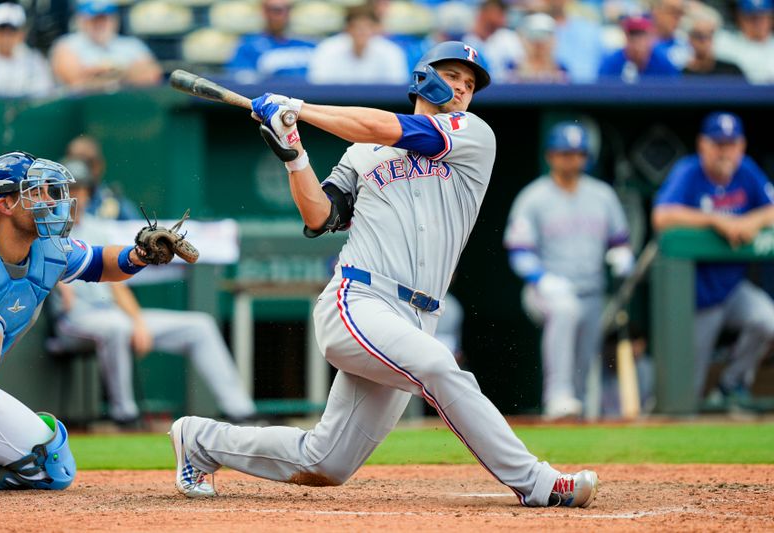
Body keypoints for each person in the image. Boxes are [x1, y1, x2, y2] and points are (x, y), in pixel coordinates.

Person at [169, 41, 599, 508]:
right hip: (359, 301)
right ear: (424, 75)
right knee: (439, 367)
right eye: (453, 75)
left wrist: (298, 108)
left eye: (470, 84)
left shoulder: (473, 134)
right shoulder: (361, 154)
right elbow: (320, 216)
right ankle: (535, 482)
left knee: (327, 461)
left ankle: (200, 441)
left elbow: (385, 126)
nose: (461, 89)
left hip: (418, 316)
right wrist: (295, 156)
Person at [0, 151, 190, 496]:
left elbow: (100, 263)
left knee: (50, 467)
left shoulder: (49, 250)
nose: (49, 199)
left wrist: (139, 255)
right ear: (5, 204)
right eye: (36, 191)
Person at [48, 160, 258, 426]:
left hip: (111, 315)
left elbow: (116, 285)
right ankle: (125, 414)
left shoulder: (97, 228)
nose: (78, 196)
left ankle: (240, 410)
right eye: (70, 191)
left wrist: (137, 322)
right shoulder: (47, 232)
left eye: (82, 190)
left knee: (199, 325)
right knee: (116, 327)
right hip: (73, 322)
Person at [504, 122, 634, 419]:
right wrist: (542, 278)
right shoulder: (533, 197)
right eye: (564, 153)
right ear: (551, 156)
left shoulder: (602, 195)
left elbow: (620, 240)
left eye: (577, 154)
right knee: (565, 310)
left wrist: (622, 255)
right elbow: (519, 252)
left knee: (585, 359)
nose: (571, 160)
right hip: (547, 290)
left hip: (592, 290)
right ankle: (557, 396)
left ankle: (576, 412)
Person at [652, 112, 774, 409]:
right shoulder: (689, 171)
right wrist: (716, 220)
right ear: (703, 145)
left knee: (767, 321)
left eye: (731, 143)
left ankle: (731, 383)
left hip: (732, 289)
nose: (724, 150)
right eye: (717, 143)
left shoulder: (746, 171)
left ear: (741, 146)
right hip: (695, 298)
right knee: (685, 393)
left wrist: (751, 221)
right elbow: (662, 216)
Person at [49, 0, 162, 90]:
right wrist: (125, 72)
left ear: (114, 20)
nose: (99, 24)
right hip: (84, 111)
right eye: (94, 19)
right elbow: (75, 81)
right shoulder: (67, 44)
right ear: (81, 20)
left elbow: (152, 76)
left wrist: (97, 73)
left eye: (104, 18)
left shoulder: (131, 44)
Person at [307, 5, 407, 85]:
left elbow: (396, 87)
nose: (362, 32)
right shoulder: (327, 49)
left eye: (367, 27)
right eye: (357, 27)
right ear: (347, 29)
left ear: (375, 28)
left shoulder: (390, 51)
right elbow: (318, 86)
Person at [0, 3, 55, 97]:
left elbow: (43, 97)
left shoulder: (34, 62)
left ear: (22, 33)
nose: (6, 37)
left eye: (12, 31)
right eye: (1, 31)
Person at [226, 0, 315, 84]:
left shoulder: (308, 45)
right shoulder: (248, 47)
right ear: (263, 12)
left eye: (286, 9)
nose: (280, 15)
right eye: (275, 10)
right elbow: (244, 82)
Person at [65, 134, 140, 220]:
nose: (79, 169)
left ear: (98, 166)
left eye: (87, 163)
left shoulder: (116, 206)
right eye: (73, 162)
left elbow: (136, 228)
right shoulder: (53, 201)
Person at [599, 14, 680, 82]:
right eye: (633, 36)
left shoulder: (663, 63)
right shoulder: (611, 63)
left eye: (642, 36)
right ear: (626, 38)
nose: (637, 42)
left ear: (651, 37)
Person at [714, 0, 774, 84]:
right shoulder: (726, 43)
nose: (758, 23)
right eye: (752, 17)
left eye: (763, 16)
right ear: (740, 17)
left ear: (771, 18)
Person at [682, 6, 745, 78]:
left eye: (709, 35)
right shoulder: (682, 75)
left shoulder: (732, 71)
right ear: (689, 39)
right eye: (699, 36)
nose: (705, 41)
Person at [507, 12, 568, 83]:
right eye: (533, 36)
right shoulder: (512, 67)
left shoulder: (561, 69)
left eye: (545, 36)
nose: (539, 42)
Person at [650, 0, 690, 69]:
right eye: (673, 11)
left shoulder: (686, 46)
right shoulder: (636, 41)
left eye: (680, 13)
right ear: (656, 12)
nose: (677, 17)